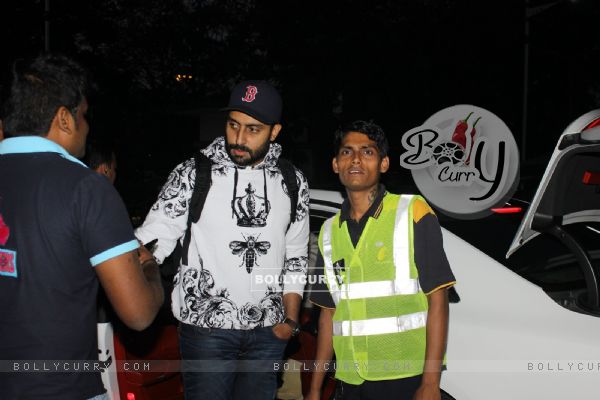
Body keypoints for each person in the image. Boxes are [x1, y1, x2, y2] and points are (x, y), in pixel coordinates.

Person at [0, 53, 164, 400]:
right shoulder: (86, 188)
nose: (87, 127)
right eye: (84, 115)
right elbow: (137, 314)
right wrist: (149, 268)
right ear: (64, 118)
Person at [135, 80, 310, 400]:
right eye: (233, 125)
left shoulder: (292, 181)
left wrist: (291, 320)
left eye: (253, 129)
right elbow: (150, 244)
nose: (240, 138)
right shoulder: (193, 173)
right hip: (206, 330)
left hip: (269, 332)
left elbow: (296, 256)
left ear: (274, 132)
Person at [306, 121, 456, 400]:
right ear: (336, 164)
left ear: (384, 163)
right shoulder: (328, 232)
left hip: (404, 376)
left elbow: (438, 298)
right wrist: (314, 390)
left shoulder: (412, 211)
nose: (356, 159)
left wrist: (431, 382)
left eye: (367, 152)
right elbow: (328, 315)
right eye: (347, 152)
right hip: (350, 378)